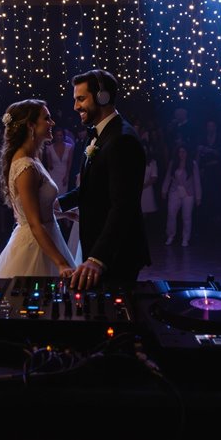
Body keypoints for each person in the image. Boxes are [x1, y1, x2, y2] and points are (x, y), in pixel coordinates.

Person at [57, 69, 150, 289]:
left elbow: (123, 205)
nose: (75, 107)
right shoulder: (105, 133)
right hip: (102, 248)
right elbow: (93, 187)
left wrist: (98, 258)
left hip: (117, 254)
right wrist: (58, 203)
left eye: (81, 99)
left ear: (102, 97)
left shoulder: (122, 139)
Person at [0, 100, 78, 278]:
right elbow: (34, 223)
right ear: (31, 125)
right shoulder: (26, 167)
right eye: (47, 118)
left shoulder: (33, 158)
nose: (52, 123)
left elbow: (38, 210)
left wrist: (65, 214)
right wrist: (61, 263)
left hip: (47, 236)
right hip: (35, 246)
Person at [162, 145, 202, 247]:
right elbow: (168, 177)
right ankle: (170, 235)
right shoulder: (173, 163)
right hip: (175, 191)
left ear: (187, 153)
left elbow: (197, 181)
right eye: (180, 152)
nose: (182, 154)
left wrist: (198, 197)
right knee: (171, 213)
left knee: (187, 217)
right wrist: (164, 190)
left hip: (188, 193)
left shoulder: (192, 164)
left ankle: (185, 238)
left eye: (184, 152)